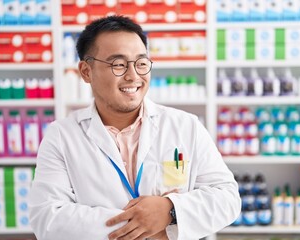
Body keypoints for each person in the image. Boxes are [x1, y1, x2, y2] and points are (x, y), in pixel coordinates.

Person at [28, 15, 241, 240]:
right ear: (86, 72)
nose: (133, 76)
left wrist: (169, 211)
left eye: (141, 63)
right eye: (118, 65)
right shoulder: (62, 135)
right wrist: (143, 225)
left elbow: (227, 198)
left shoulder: (186, 126)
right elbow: (48, 218)